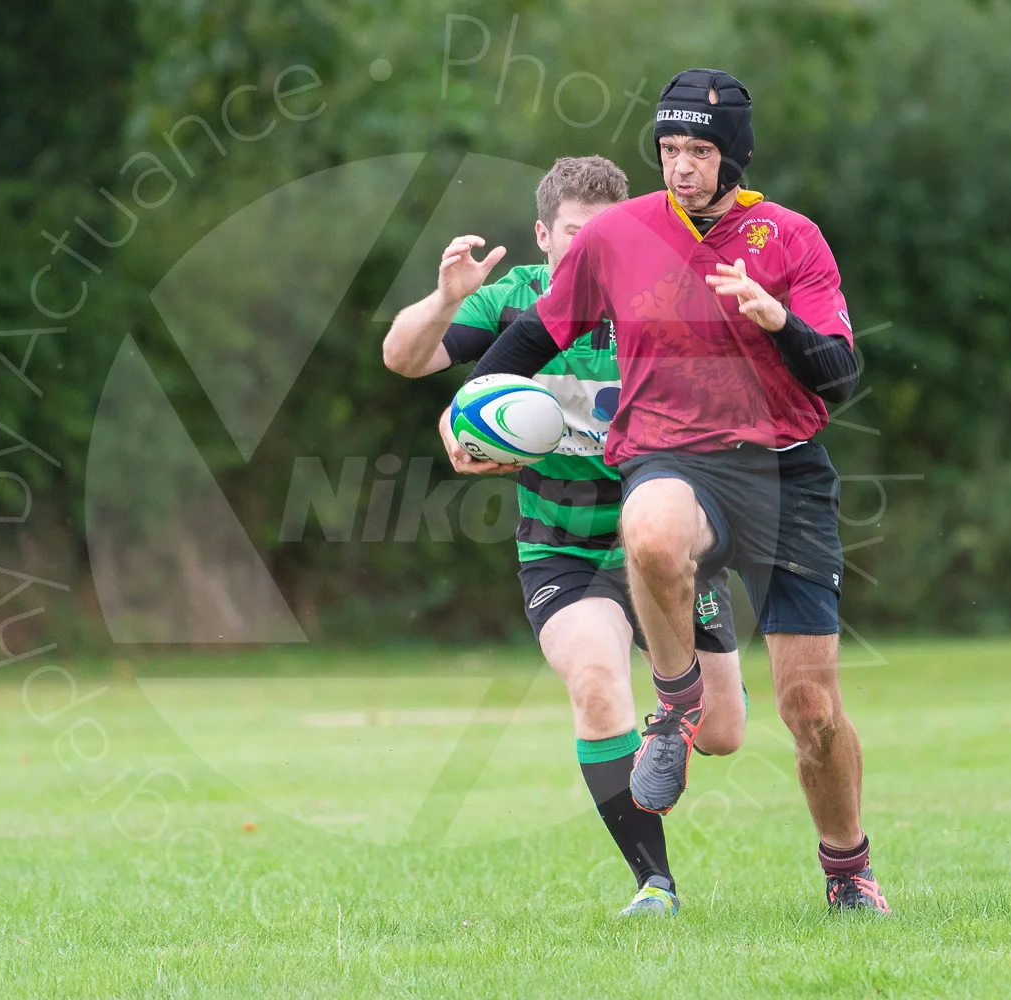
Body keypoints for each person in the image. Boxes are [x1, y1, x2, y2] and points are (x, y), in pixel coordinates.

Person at [465, 71, 890, 913]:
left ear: (733, 155)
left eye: (699, 150)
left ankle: (847, 871)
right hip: (671, 456)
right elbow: (527, 336)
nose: (681, 166)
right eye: (669, 150)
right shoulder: (617, 236)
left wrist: (777, 319)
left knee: (812, 711)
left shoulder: (790, 239)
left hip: (784, 472)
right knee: (650, 531)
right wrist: (472, 413)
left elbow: (838, 376)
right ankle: (676, 699)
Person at [382, 155, 747, 917]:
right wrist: (447, 302)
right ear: (545, 237)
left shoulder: (663, 303)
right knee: (593, 679)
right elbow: (404, 357)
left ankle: (672, 725)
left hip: (667, 548)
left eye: (606, 237)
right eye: (575, 238)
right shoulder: (516, 302)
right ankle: (655, 885)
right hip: (564, 549)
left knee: (722, 734)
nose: (591, 253)